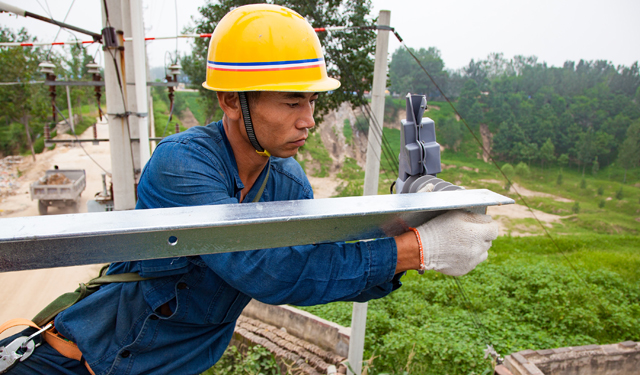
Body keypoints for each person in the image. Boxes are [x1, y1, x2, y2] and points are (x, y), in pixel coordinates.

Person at [0, 4, 498, 375]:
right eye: (290, 102)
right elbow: (270, 272)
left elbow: (319, 270)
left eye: (310, 101)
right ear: (231, 100)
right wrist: (414, 251)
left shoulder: (286, 179)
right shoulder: (183, 165)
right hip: (76, 363)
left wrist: (411, 226)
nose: (308, 120)